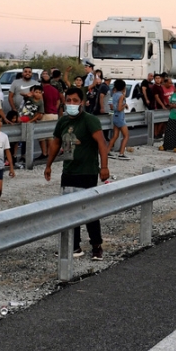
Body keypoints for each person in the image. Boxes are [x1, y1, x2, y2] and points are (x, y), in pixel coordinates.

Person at [44, 87, 110, 260]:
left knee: (89, 211)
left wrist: (104, 167)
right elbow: (56, 144)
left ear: (81, 102)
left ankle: (96, 245)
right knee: (69, 210)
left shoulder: (90, 120)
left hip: (87, 171)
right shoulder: (63, 122)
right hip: (69, 171)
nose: (71, 104)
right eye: (68, 100)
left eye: (75, 100)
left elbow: (102, 143)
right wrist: (48, 165)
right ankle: (74, 246)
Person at [106, 80, 130, 160]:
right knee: (126, 136)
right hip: (120, 117)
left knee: (115, 136)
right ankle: (121, 153)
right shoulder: (121, 96)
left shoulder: (114, 95)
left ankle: (107, 151)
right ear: (123, 87)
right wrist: (124, 105)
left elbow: (112, 106)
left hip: (115, 117)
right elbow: (119, 108)